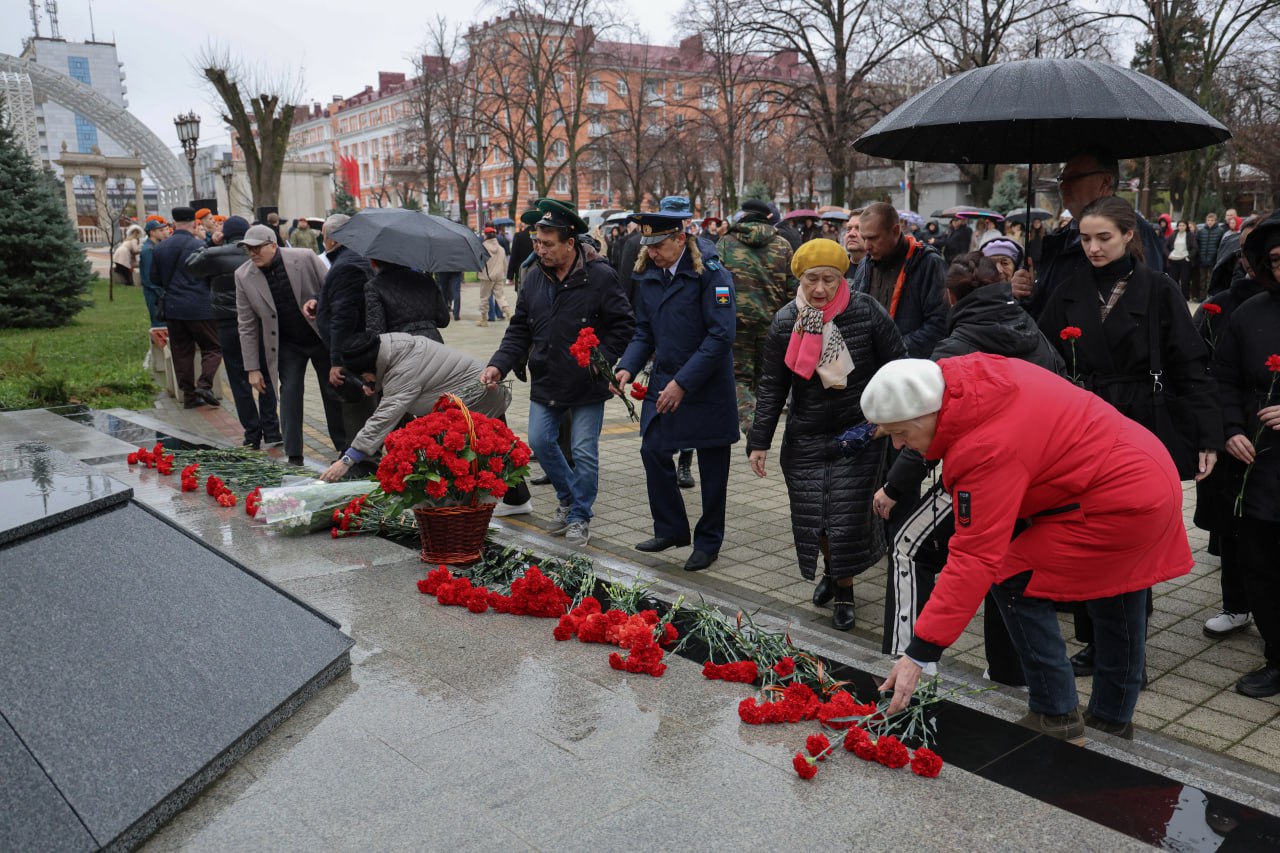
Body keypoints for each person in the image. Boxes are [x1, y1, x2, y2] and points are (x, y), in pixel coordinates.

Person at [869, 355, 1195, 739]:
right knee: (1117, 591)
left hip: (1117, 499)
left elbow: (974, 558)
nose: (898, 444)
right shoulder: (968, 379)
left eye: (900, 433)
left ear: (925, 414)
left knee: (1013, 574)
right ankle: (1111, 720)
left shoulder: (984, 448)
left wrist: (920, 652)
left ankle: (1055, 713)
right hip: (1142, 467)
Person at [1037, 195, 1221, 675]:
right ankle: (1096, 642)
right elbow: (1042, 358)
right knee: (1081, 529)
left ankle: (1127, 653)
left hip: (1141, 421)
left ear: (1127, 236)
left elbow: (1190, 364)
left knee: (1131, 537)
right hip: (1081, 424)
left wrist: (1207, 434)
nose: (1093, 247)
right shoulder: (1068, 288)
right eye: (1085, 238)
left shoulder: (1158, 288)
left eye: (1104, 238)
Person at [874, 254, 1062, 683]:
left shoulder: (956, 347)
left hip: (986, 468)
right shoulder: (1027, 325)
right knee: (1005, 566)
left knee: (909, 546)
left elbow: (927, 430)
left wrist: (894, 487)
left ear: (950, 295)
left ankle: (910, 662)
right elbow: (1061, 378)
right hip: (1039, 471)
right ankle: (1007, 673)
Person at [747, 239, 905, 629]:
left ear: (842, 278)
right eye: (811, 280)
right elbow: (771, 385)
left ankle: (845, 590)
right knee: (814, 518)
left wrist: (888, 422)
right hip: (805, 437)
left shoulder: (866, 310)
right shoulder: (787, 320)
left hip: (859, 435)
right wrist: (759, 441)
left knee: (847, 518)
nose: (820, 289)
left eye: (829, 280)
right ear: (799, 279)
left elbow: (898, 364)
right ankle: (832, 572)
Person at [481, 199, 634, 548]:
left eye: (548, 244)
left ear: (570, 242)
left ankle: (580, 515)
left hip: (587, 381)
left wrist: (603, 359)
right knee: (539, 441)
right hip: (547, 376)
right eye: (537, 242)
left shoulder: (599, 276)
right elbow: (519, 329)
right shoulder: (534, 277)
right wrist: (497, 363)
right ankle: (568, 498)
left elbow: (624, 324)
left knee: (583, 451)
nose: (540, 250)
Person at [616, 203, 738, 572]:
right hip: (664, 381)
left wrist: (683, 383)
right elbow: (644, 331)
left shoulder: (712, 275)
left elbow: (721, 335)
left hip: (706, 385)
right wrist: (626, 366)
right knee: (653, 449)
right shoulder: (648, 274)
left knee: (713, 469)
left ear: (681, 238)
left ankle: (708, 541)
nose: (651, 253)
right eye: (647, 245)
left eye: (658, 246)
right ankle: (670, 528)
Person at [318, 331, 532, 514]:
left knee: (478, 454)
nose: (368, 383)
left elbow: (383, 417)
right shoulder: (391, 344)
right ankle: (516, 500)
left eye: (366, 378)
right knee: (492, 451)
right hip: (479, 387)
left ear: (367, 371)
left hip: (478, 396)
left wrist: (347, 459)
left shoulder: (403, 370)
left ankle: (472, 511)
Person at [1213, 211, 1280, 697]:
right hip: (1257, 461)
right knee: (1260, 561)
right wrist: (1232, 429)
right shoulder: (1250, 312)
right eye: (1275, 259)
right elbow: (1224, 380)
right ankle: (1277, 656)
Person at [1193, 214, 1266, 642]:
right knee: (1234, 523)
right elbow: (1205, 370)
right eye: (1247, 251)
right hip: (1233, 431)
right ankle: (1236, 604)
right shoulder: (1222, 303)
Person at [234, 224, 347, 466]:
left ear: (273, 245)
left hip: (319, 337)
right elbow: (246, 325)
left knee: (332, 390)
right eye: (248, 249)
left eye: (257, 248)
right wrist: (252, 368)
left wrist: (320, 305)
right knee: (290, 393)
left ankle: (343, 447)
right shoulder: (243, 276)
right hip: (286, 344)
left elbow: (332, 289)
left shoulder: (304, 257)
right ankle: (294, 455)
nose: (252, 253)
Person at [1027, 151, 1165, 318]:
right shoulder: (1060, 237)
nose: (1063, 185)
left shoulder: (1137, 232)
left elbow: (1146, 306)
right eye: (1062, 179)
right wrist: (1028, 292)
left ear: (1105, 182)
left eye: (1074, 177)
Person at [185, 215, 282, 448]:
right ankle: (272, 431)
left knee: (238, 379)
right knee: (266, 375)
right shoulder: (257, 253)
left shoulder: (213, 254)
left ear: (225, 233)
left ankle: (251, 433)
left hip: (227, 324)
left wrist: (210, 243)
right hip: (259, 323)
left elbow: (190, 265)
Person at [719, 198, 795, 434]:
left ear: (743, 215)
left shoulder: (725, 244)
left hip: (736, 324)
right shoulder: (783, 246)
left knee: (738, 378)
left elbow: (718, 287)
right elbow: (793, 292)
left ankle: (749, 425)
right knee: (766, 379)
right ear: (768, 218)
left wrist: (724, 314)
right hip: (772, 324)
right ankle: (761, 428)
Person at [311, 214, 376, 463]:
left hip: (353, 349)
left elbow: (344, 316)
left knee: (355, 406)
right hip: (361, 344)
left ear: (331, 239)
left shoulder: (347, 264)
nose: (322, 241)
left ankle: (362, 462)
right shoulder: (354, 258)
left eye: (323, 237)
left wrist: (336, 360)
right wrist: (319, 300)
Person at [850, 203, 948, 360]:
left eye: (873, 238)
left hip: (910, 369)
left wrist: (892, 350)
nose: (867, 246)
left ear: (895, 231)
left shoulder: (929, 264)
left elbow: (938, 326)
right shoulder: (865, 265)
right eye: (864, 238)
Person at [150, 206, 223, 409]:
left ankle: (189, 397)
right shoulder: (199, 246)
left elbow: (154, 279)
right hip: (200, 307)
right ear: (193, 223)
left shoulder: (159, 248)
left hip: (174, 308)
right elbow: (211, 276)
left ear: (174, 224)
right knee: (213, 346)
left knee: (181, 351)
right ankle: (204, 384)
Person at [364, 259, 450, 342]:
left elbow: (376, 331)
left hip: (399, 347)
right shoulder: (427, 280)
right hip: (433, 344)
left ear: (373, 263)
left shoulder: (374, 287)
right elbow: (443, 320)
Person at [140, 219, 168, 346]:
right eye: (160, 230)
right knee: (158, 322)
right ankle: (158, 351)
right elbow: (148, 278)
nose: (164, 233)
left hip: (158, 291)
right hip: (154, 293)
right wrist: (160, 292)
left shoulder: (155, 247)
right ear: (152, 232)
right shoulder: (149, 250)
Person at [477, 226, 510, 327]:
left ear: (486, 236)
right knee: (500, 297)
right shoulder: (501, 249)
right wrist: (503, 274)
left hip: (486, 277)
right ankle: (509, 313)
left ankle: (483, 319)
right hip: (499, 276)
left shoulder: (482, 248)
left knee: (484, 298)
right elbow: (505, 264)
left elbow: (479, 263)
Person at [1196, 212, 1227, 301]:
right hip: (1202, 258)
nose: (1210, 222)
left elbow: (1220, 245)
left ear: (1215, 221)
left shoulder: (1220, 231)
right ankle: (1202, 296)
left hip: (1213, 259)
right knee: (1202, 279)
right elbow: (1198, 244)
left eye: (1212, 220)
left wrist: (1217, 257)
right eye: (1208, 220)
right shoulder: (1201, 231)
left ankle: (1210, 296)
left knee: (1211, 279)